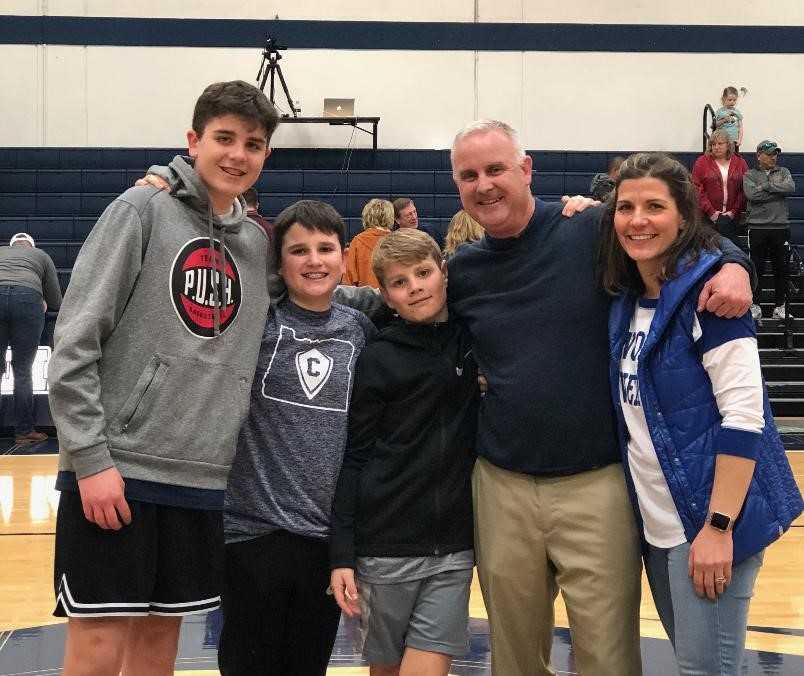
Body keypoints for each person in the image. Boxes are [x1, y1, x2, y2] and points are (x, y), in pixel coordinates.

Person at [446, 120, 753, 676]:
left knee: (608, 658)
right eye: (469, 175)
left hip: (598, 482)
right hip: (500, 484)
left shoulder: (588, 227)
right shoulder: (464, 271)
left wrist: (737, 265)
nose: (484, 185)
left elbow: (685, 237)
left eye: (496, 169)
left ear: (526, 169)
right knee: (512, 658)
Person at [48, 80, 278, 676]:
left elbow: (315, 290)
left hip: (200, 477)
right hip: (117, 471)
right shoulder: (139, 210)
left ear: (265, 156)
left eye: (252, 144)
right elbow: (74, 342)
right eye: (223, 138)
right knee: (98, 652)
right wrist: (91, 460)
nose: (237, 155)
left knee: (158, 653)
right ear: (192, 140)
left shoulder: (255, 244)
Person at [601, 152, 802, 675]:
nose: (638, 219)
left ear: (685, 217)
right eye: (626, 207)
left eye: (654, 206)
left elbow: (745, 418)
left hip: (708, 524)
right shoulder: (626, 299)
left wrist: (718, 527)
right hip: (659, 524)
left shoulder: (713, 299)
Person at [218, 200, 376, 676]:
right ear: (278, 263)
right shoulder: (253, 324)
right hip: (251, 533)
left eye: (325, 248)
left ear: (344, 256)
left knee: (307, 665)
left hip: (324, 542)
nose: (314, 261)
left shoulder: (362, 331)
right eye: (299, 250)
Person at [329, 228, 478, 676]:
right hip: (384, 548)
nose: (415, 286)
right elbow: (354, 456)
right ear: (385, 297)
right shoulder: (377, 357)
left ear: (444, 274)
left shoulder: (470, 339)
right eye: (400, 282)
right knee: (386, 669)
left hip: (453, 547)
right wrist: (342, 552)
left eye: (423, 272)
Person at [0, 232, 62, 443]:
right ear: (30, 246)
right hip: (28, 300)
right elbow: (55, 299)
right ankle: (24, 431)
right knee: (23, 370)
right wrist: (42, 301)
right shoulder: (41, 255)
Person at [743, 140, 797, 321]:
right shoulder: (749, 174)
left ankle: (780, 307)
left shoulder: (784, 172)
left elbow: (790, 187)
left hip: (780, 227)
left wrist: (766, 186)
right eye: (769, 153)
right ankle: (754, 306)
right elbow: (752, 195)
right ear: (759, 156)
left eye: (775, 154)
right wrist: (776, 190)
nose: (774, 157)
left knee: (781, 269)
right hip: (757, 227)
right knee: (756, 268)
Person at [691, 129, 749, 247]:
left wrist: (733, 212)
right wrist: (712, 213)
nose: (716, 147)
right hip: (707, 218)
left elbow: (744, 190)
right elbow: (696, 188)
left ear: (728, 145)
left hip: (732, 217)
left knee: (729, 250)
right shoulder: (701, 162)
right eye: (713, 144)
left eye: (720, 143)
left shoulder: (740, 162)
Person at [343, 198, 394, 288]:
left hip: (364, 299)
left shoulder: (357, 241)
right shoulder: (398, 241)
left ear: (366, 216)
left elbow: (349, 279)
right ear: (390, 216)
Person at [714, 86, 744, 153]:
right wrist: (724, 120)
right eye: (730, 100)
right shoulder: (720, 112)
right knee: (723, 155)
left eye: (734, 100)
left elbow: (741, 127)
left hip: (733, 140)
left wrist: (739, 139)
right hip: (722, 140)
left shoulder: (737, 113)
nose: (732, 102)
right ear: (723, 99)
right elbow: (715, 125)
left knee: (732, 156)